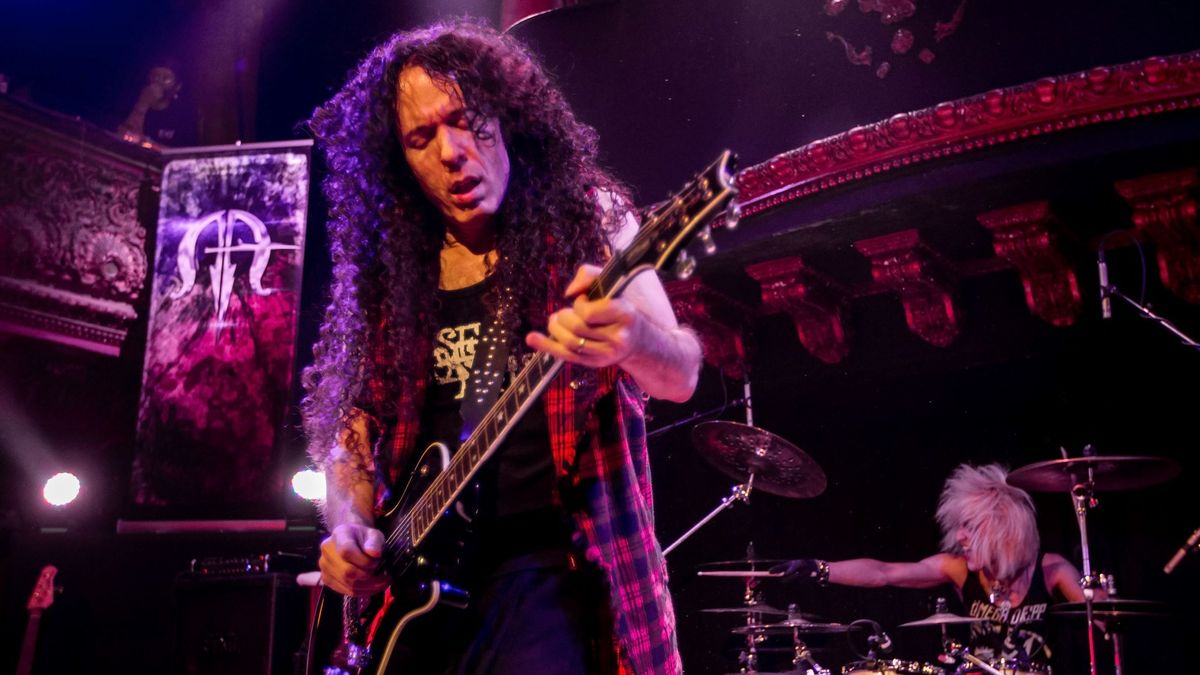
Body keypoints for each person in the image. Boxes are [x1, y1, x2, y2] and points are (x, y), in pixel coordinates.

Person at [301, 18, 700, 675]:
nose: (451, 152)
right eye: (421, 138)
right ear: (398, 161)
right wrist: (347, 524)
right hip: (416, 594)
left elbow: (681, 372)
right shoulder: (394, 272)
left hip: (552, 570)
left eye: (465, 119)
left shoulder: (588, 217)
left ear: (508, 116)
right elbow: (352, 433)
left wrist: (634, 339)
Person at [773, 463, 1088, 669]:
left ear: (1002, 528)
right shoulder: (960, 569)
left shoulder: (1051, 570)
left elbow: (1108, 615)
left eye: (970, 527)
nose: (959, 537)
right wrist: (821, 568)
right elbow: (885, 572)